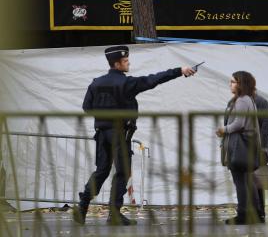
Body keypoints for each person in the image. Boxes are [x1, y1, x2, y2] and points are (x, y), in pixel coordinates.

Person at [73, 46, 196, 226]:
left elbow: (87, 108)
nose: (128, 62)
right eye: (125, 61)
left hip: (102, 135)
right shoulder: (126, 84)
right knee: (122, 173)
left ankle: (82, 207)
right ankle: (114, 214)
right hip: (119, 135)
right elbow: (153, 79)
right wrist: (179, 71)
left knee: (101, 172)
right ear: (117, 64)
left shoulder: (96, 83)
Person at [216, 71, 261, 225]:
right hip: (247, 145)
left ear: (241, 84)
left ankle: (243, 215)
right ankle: (256, 214)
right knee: (248, 181)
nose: (230, 84)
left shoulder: (242, 100)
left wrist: (223, 129)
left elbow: (239, 123)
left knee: (241, 182)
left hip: (240, 147)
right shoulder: (249, 99)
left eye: (233, 82)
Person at [254, 93, 268, 223]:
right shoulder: (235, 101)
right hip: (241, 147)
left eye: (234, 82)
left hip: (258, 147)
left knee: (257, 180)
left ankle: (259, 213)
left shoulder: (260, 102)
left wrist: (263, 147)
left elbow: (267, 125)